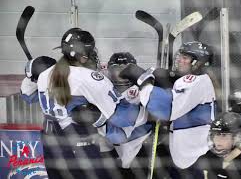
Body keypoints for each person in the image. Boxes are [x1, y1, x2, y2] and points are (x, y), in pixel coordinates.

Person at [20, 27, 132, 178]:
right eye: (91, 51)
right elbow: (123, 117)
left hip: (51, 145)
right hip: (81, 146)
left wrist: (30, 72)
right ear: (84, 55)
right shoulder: (89, 78)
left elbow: (28, 96)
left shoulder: (44, 75)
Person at [119, 41, 218, 170]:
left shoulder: (197, 82)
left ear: (198, 63)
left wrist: (143, 79)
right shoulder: (201, 81)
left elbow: (167, 108)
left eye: (185, 58)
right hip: (188, 155)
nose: (180, 60)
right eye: (180, 56)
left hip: (195, 159)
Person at [99, 52, 153, 178]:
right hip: (111, 146)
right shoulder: (103, 87)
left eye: (125, 69)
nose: (120, 74)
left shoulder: (144, 89)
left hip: (137, 144)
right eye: (117, 68)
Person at [183, 112, 241, 179]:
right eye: (215, 135)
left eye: (223, 135)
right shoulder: (205, 159)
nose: (218, 140)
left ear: (236, 137)